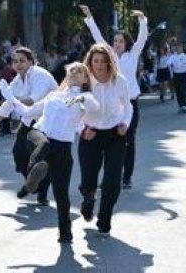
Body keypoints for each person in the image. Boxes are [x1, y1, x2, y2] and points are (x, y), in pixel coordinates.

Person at [0, 62, 98, 243]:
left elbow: (91, 110)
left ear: (85, 79)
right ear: (66, 76)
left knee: (61, 193)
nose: (74, 72)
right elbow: (27, 111)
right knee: (43, 144)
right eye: (71, 70)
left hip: (62, 147)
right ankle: (34, 175)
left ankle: (65, 232)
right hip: (39, 135)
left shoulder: (85, 98)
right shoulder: (53, 95)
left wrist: (83, 119)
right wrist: (9, 96)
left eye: (79, 71)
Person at [80, 6, 147, 190]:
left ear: (126, 43)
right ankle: (109, 177)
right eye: (115, 41)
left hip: (129, 104)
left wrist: (142, 20)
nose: (117, 44)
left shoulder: (133, 54)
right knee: (109, 142)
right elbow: (98, 38)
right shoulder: (109, 55)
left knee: (128, 139)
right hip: (111, 105)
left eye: (120, 41)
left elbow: (142, 38)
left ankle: (127, 177)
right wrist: (89, 17)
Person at [0, 47, 57, 205]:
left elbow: (32, 101)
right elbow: (9, 103)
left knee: (40, 156)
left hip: (48, 121)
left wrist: (12, 98)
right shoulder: (17, 80)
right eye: (15, 61)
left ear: (31, 61)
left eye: (22, 60)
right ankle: (33, 184)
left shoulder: (40, 75)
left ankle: (41, 194)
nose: (18, 64)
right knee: (18, 154)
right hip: (29, 119)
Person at [77, 44, 133, 236]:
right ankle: (88, 198)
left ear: (110, 62)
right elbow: (72, 109)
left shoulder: (119, 81)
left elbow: (128, 107)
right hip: (90, 134)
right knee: (88, 180)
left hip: (114, 134)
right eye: (96, 61)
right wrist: (82, 130)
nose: (99, 65)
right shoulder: (83, 82)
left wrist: (125, 123)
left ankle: (105, 217)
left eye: (103, 61)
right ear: (90, 62)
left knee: (112, 180)